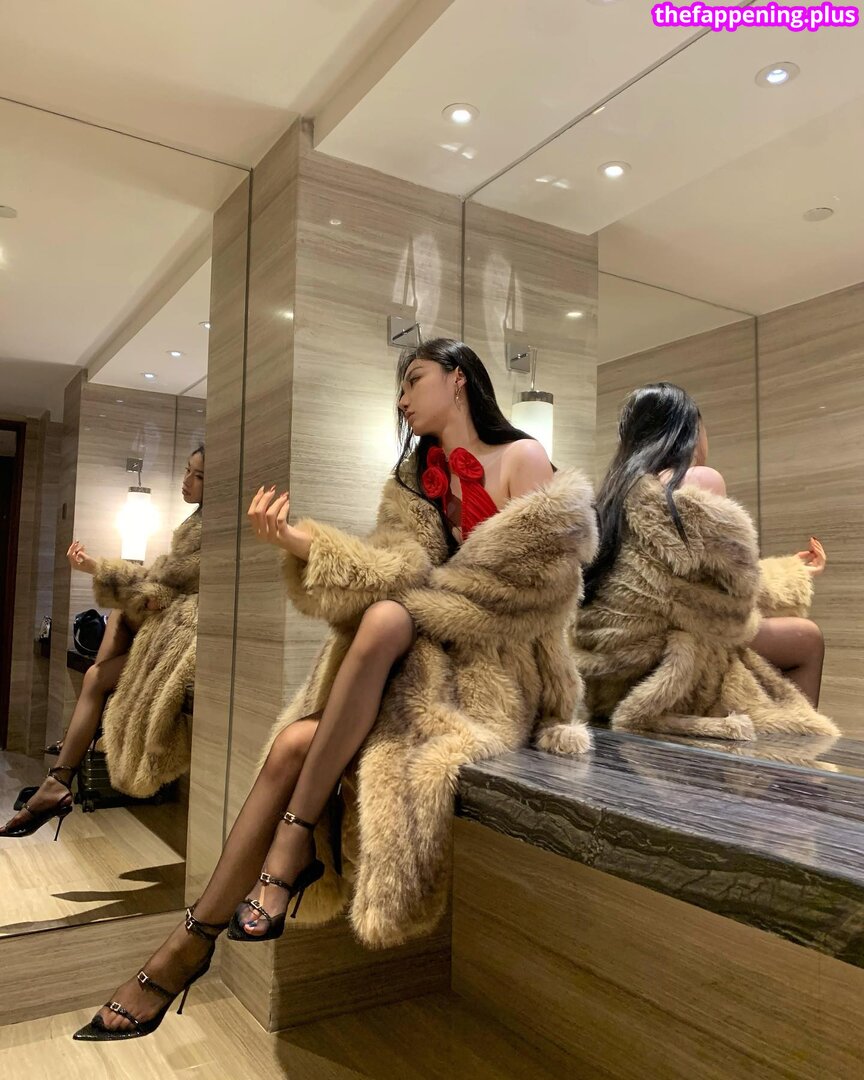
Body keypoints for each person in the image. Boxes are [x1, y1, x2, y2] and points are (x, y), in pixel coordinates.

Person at [73, 338, 598, 1041]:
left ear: (458, 378)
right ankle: (196, 936)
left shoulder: (523, 457)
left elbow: (536, 593)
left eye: (413, 380)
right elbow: (390, 568)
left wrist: (423, 601)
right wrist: (302, 544)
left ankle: (216, 919)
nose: (403, 400)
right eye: (400, 388)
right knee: (296, 739)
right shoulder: (415, 482)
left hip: (499, 673)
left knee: (385, 622)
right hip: (423, 665)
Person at [575, 383, 837, 740]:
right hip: (668, 663)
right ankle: (793, 756)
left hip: (607, 667)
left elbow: (676, 584)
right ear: (689, 430)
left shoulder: (611, 495)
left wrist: (791, 572)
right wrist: (793, 578)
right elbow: (732, 596)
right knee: (806, 638)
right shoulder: (697, 479)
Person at [0, 448, 204, 838]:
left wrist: (102, 571)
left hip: (186, 634)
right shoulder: (194, 524)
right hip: (170, 623)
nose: (186, 480)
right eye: (186, 470)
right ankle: (65, 768)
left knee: (97, 674)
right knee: (107, 643)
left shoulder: (213, 528)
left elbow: (166, 588)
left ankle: (61, 775)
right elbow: (159, 582)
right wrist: (99, 569)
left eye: (198, 476)